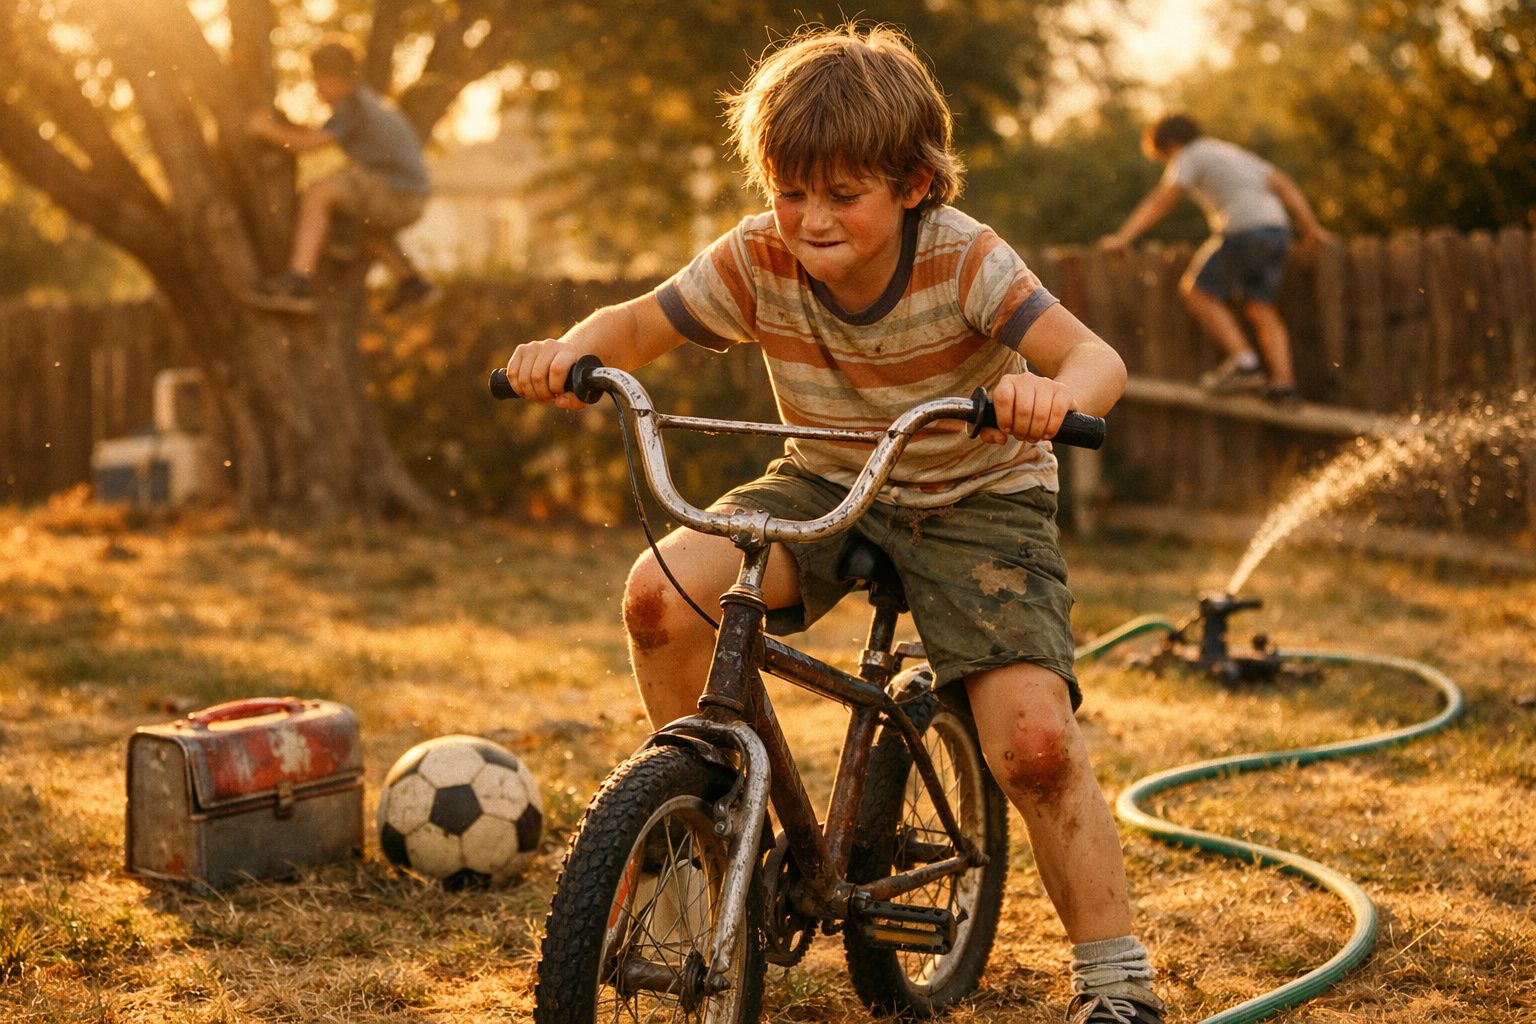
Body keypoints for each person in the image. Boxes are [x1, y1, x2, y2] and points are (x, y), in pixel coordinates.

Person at [504, 25, 1160, 1024]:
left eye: (841, 194)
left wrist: (1050, 394)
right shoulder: (759, 256)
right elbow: (636, 324)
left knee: (1031, 744)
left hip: (975, 496)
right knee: (658, 598)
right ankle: (697, 842)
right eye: (790, 190)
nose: (809, 220)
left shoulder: (965, 259)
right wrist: (568, 351)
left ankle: (1117, 984)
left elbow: (1093, 357)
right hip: (826, 479)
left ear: (911, 184)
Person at [1100, 113, 1336, 402]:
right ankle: (1284, 385)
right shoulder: (1229, 152)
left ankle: (1245, 363)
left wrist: (1123, 238)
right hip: (1277, 230)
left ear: (1170, 145)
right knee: (1260, 306)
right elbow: (1283, 184)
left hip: (1244, 230)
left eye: (1163, 157)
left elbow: (1163, 199)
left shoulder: (1190, 155)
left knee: (1197, 291)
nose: (1167, 164)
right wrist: (1311, 228)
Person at [245, 36, 439, 316]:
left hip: (399, 192)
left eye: (316, 79)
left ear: (333, 78)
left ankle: (298, 281)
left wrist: (264, 129)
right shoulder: (362, 102)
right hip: (409, 195)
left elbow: (308, 144)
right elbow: (317, 134)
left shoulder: (353, 105)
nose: (315, 88)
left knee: (319, 193)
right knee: (364, 219)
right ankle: (411, 282)